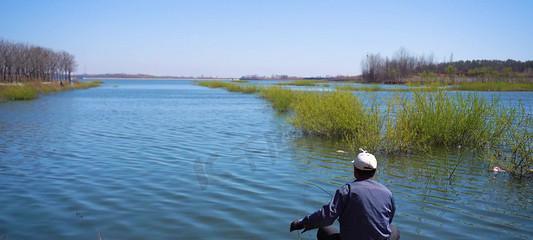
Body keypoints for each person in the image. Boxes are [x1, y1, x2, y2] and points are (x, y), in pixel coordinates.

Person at [289, 149, 399, 240]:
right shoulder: (387, 193)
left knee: (324, 230)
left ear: (355, 170)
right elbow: (388, 219)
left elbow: (326, 217)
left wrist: (302, 223)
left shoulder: (346, 191)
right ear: (374, 172)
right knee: (394, 230)